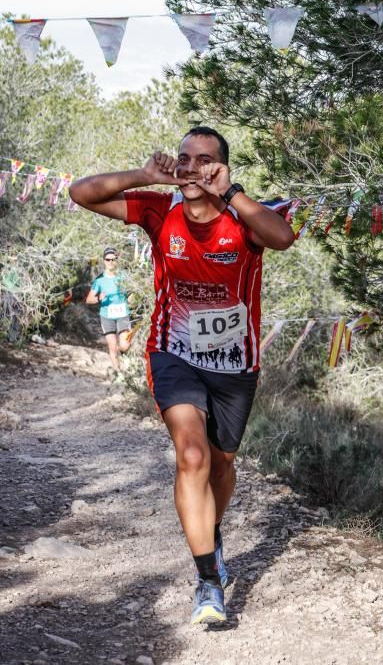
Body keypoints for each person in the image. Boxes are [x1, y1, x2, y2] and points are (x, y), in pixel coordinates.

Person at [69, 126, 295, 625]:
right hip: (175, 353)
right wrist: (143, 175)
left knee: (220, 466)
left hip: (236, 364)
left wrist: (231, 192)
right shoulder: (158, 209)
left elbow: (282, 237)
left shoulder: (245, 218)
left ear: (222, 168)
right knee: (191, 455)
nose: (192, 168)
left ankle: (210, 538)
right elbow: (79, 192)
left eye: (206, 160)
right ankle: (208, 583)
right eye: (185, 158)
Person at [86, 247, 131, 370]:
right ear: (104, 261)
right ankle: (119, 372)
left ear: (117, 260)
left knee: (124, 345)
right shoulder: (99, 280)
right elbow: (88, 300)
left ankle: (124, 354)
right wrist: (99, 298)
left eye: (113, 259)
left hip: (123, 314)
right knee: (112, 346)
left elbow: (132, 292)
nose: (111, 262)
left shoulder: (123, 276)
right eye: (108, 259)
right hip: (107, 316)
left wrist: (131, 298)